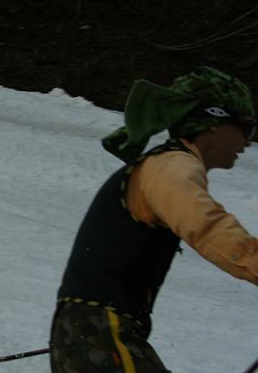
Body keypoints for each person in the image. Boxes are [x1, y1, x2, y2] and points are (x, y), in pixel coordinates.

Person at [50, 66, 258, 373]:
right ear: (214, 121)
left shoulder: (164, 163)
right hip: (100, 332)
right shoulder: (171, 165)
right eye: (247, 127)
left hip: (91, 333)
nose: (248, 142)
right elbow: (207, 226)